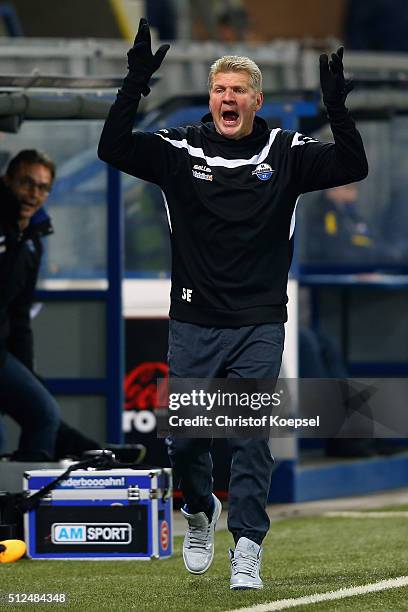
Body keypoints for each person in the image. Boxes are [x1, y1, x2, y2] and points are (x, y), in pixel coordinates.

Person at [98, 19, 368, 590]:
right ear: (211, 98)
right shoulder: (177, 150)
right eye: (220, 89)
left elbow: (352, 166)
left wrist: (336, 109)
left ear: (256, 100)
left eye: (238, 91)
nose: (228, 97)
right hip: (194, 319)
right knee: (189, 437)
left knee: (249, 434)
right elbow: (112, 146)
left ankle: (248, 545)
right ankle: (199, 512)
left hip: (259, 319)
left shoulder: (287, 151)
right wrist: (134, 85)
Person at [0, 150, 145, 464]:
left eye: (42, 188)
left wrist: (26, 370)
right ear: (7, 181)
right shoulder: (14, 232)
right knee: (41, 412)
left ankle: (90, 453)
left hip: (4, 349)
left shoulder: (31, 238)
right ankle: (29, 496)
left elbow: (19, 314)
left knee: (40, 409)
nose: (33, 194)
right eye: (26, 183)